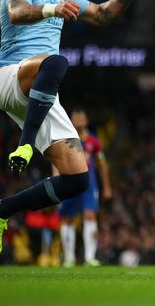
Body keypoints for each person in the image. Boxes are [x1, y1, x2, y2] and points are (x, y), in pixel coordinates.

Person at [0, 0, 146, 255]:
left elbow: (100, 14)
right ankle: (24, 145)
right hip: (8, 78)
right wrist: (52, 9)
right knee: (56, 62)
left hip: (40, 91)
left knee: (77, 180)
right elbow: (16, 13)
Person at [57, 108, 112, 267]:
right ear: (71, 120)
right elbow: (56, 161)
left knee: (90, 216)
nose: (79, 120)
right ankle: (69, 258)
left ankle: (89, 257)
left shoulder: (94, 141)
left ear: (87, 120)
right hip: (69, 182)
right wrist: (56, 179)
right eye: (76, 117)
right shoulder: (65, 140)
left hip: (89, 185)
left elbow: (102, 163)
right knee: (67, 219)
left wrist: (107, 187)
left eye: (82, 117)